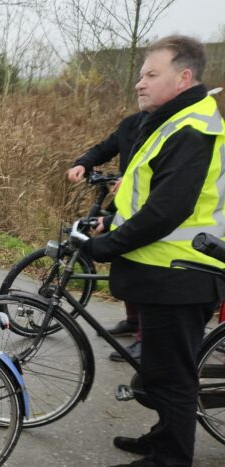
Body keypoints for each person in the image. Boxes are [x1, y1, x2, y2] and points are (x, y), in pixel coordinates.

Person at [80, 36, 224, 467]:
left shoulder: (192, 130)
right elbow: (144, 198)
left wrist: (106, 247)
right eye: (141, 74)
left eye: (150, 74)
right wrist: (109, 221)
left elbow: (168, 211)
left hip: (181, 271)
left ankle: (169, 463)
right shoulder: (169, 122)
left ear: (184, 78)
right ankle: (162, 436)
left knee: (174, 374)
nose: (139, 83)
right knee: (161, 366)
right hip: (165, 270)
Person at [67, 111, 148, 363]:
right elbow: (106, 147)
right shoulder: (132, 123)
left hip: (150, 207)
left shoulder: (170, 128)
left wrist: (130, 178)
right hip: (128, 204)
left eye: (151, 77)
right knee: (123, 260)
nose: (141, 85)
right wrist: (83, 163)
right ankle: (132, 321)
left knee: (143, 270)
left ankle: (146, 341)